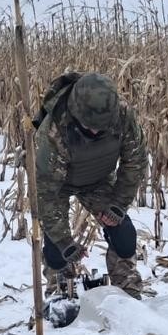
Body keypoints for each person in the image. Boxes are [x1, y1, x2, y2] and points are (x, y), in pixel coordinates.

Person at [33, 71, 147, 298]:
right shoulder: (54, 132)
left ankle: (128, 291)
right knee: (57, 251)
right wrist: (65, 241)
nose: (95, 131)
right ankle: (59, 294)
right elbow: (47, 193)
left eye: (101, 127)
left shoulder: (122, 114)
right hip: (59, 185)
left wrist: (118, 205)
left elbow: (135, 161)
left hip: (98, 179)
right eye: (89, 126)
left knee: (124, 235)